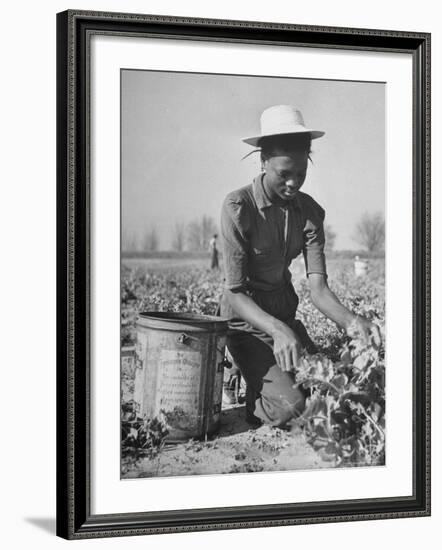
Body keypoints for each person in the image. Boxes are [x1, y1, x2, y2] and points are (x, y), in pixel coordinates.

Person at [219, 105, 381, 428]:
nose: (293, 183)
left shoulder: (309, 213)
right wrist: (277, 331)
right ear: (263, 161)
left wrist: (352, 323)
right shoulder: (239, 208)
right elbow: (235, 292)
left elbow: (318, 290)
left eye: (301, 174)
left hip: (284, 319)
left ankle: (264, 372)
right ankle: (240, 370)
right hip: (245, 322)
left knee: (328, 382)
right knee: (292, 407)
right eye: (284, 174)